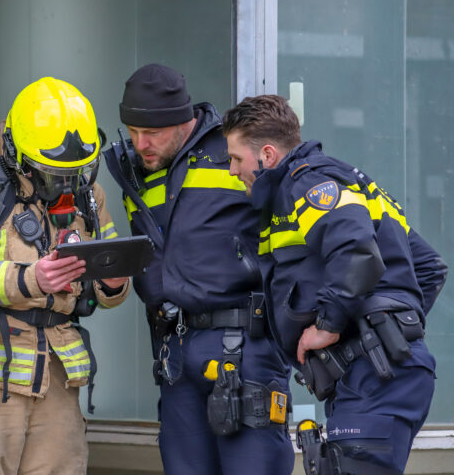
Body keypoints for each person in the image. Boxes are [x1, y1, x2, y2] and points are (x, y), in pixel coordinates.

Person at [223, 94, 447, 474]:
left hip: (374, 375)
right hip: (381, 372)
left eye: (236, 158)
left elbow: (356, 251)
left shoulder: (307, 184)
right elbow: (428, 267)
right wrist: (387, 328)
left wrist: (330, 326)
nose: (231, 170)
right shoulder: (344, 182)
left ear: (267, 155)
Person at [0, 76, 131, 474]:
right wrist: (32, 279)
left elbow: (110, 266)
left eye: (75, 172)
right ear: (17, 152)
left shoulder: (87, 192)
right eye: (53, 173)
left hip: (58, 376)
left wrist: (113, 283)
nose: (66, 184)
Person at [104, 64, 293, 474]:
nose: (141, 143)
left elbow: (301, 231)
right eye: (133, 132)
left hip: (245, 346)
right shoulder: (137, 169)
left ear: (183, 120)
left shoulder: (236, 151)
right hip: (174, 351)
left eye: (152, 133)